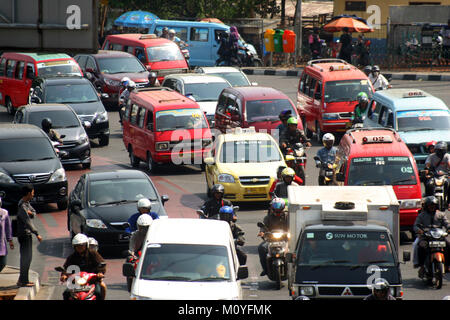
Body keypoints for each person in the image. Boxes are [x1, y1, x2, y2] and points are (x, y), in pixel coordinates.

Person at [61, 233, 106, 300]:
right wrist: (64, 275)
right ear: (74, 247)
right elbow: (66, 268)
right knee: (66, 293)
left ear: (86, 245)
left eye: (82, 245)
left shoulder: (93, 254)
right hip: (76, 281)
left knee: (100, 290)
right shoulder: (72, 257)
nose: (80, 248)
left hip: (92, 280)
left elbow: (101, 263)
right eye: (77, 246)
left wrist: (100, 273)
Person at [413, 196, 450, 275]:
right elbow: (415, 225)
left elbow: (447, 223)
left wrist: (449, 228)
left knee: (448, 245)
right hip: (426, 236)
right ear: (427, 206)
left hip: (439, 236)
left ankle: (447, 265)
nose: (432, 207)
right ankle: (422, 266)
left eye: (433, 205)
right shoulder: (421, 215)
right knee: (420, 247)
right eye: (430, 205)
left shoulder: (441, 214)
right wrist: (419, 230)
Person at [16, 184, 42, 287]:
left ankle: (22, 279)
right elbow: (27, 221)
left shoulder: (26, 204)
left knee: (28, 257)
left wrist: (31, 213)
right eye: (32, 193)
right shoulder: (22, 206)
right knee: (26, 257)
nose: (33, 195)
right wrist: (37, 233)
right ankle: (23, 281)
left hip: (27, 233)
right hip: (24, 234)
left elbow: (34, 213)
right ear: (28, 193)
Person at [257, 198, 289, 276]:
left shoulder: (287, 217)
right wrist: (262, 232)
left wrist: (291, 232)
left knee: (295, 249)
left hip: (285, 239)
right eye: (275, 207)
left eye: (279, 208)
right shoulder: (268, 218)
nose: (277, 210)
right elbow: (263, 227)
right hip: (271, 239)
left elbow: (292, 225)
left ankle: (294, 268)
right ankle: (265, 269)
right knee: (261, 247)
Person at [0, 196, 14, 272]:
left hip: (1, 244)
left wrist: (10, 240)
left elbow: (8, 228)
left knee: (2, 263)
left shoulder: (4, 213)